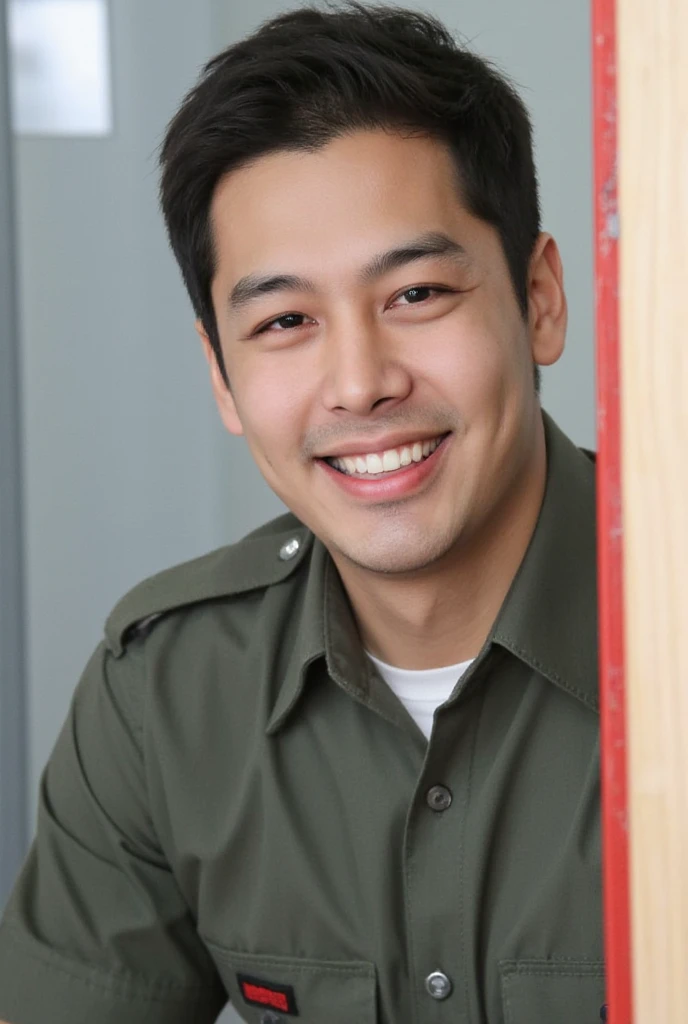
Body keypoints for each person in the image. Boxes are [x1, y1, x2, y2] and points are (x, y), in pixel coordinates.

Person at [0, 3, 604, 1023]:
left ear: (538, 298)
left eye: (415, 293)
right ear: (222, 378)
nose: (359, 383)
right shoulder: (168, 691)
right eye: (284, 321)